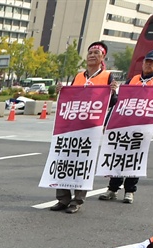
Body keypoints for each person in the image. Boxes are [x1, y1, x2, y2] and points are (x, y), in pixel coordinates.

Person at [101, 48, 153, 204]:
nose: (148, 65)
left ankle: (130, 191)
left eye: (152, 62)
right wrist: (108, 121)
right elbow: (119, 102)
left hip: (144, 126)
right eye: (147, 62)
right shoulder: (132, 80)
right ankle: (112, 189)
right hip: (125, 125)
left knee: (135, 157)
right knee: (119, 157)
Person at [52, 42, 117, 214]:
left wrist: (113, 92)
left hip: (91, 127)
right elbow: (70, 98)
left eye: (96, 53)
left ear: (102, 57)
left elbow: (112, 102)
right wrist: (61, 90)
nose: (92, 55)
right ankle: (63, 198)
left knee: (83, 162)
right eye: (90, 52)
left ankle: (77, 200)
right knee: (65, 160)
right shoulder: (79, 76)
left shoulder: (107, 76)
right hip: (72, 125)